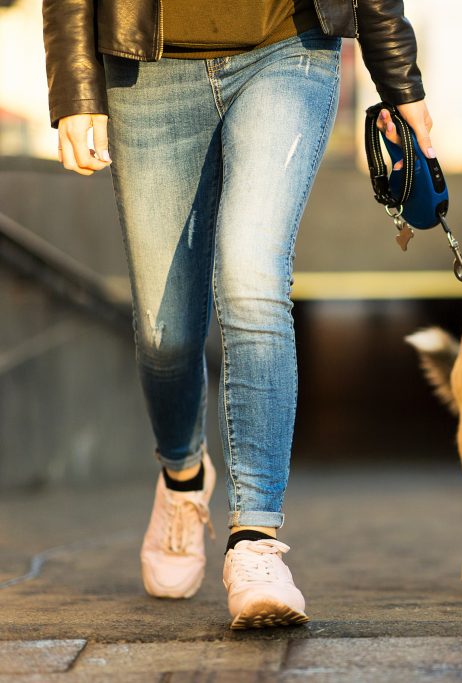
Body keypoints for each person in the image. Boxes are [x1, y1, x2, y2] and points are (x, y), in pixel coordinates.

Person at [41, 0, 433, 629]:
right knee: (164, 334)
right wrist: (74, 85)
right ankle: (182, 474)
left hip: (288, 46)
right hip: (148, 67)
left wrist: (400, 79)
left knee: (253, 275)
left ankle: (255, 543)